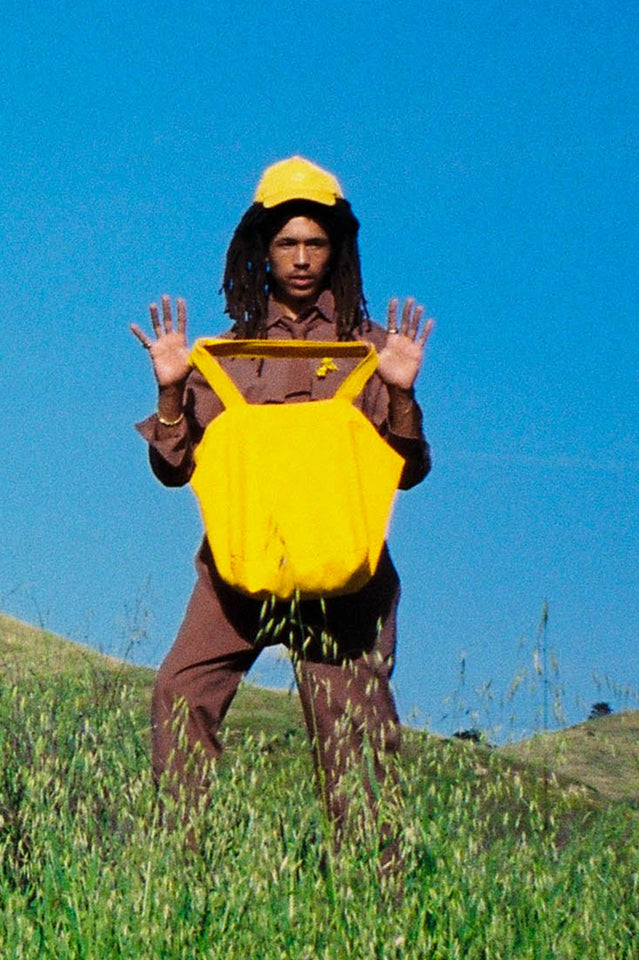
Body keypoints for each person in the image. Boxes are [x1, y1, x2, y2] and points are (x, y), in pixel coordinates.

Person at [130, 156, 433, 850]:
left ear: (337, 250)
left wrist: (405, 395)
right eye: (287, 243)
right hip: (237, 571)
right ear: (261, 250)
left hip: (342, 578)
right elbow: (172, 470)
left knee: (352, 736)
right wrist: (172, 391)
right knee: (179, 694)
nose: (302, 259)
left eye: (316, 243)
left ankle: (373, 912)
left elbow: (409, 471)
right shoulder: (226, 355)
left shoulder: (375, 349)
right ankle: (179, 878)